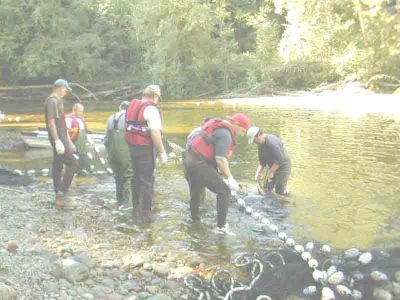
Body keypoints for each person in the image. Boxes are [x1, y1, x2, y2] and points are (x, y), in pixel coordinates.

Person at [183, 113, 251, 235]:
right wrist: (230, 179)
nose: (240, 135)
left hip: (189, 161)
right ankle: (221, 227)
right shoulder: (226, 134)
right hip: (199, 164)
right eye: (242, 131)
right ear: (236, 124)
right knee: (224, 191)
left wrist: (220, 174)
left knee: (196, 192)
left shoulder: (216, 127)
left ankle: (194, 221)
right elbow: (220, 159)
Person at [124, 85, 168, 223]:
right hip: (144, 147)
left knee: (135, 177)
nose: (158, 101)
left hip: (132, 146)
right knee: (146, 180)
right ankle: (146, 212)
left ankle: (135, 207)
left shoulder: (132, 104)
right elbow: (155, 132)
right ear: (154, 96)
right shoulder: (151, 109)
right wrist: (162, 152)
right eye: (158, 98)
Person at [44, 79, 78, 208]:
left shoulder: (58, 100)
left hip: (63, 137)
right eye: (65, 89)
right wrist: (57, 141)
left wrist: (69, 142)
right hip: (58, 138)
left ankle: (58, 193)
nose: (66, 92)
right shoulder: (52, 100)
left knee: (58, 163)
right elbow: (51, 122)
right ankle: (62, 191)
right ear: (60, 87)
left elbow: (63, 124)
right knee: (73, 163)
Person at [247, 126, 291, 196]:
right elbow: (262, 162)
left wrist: (271, 172)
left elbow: (280, 159)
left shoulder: (271, 143)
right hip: (273, 165)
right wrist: (258, 173)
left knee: (279, 190)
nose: (254, 142)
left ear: (258, 135)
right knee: (266, 187)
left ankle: (285, 201)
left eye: (254, 140)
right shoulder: (260, 144)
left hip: (283, 166)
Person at [104, 101, 133, 209]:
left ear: (120, 107)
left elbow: (105, 140)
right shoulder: (129, 118)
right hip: (125, 151)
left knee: (117, 175)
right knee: (128, 175)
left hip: (112, 152)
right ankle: (126, 204)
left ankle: (118, 200)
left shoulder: (110, 118)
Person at [65, 103, 91, 174]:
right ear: (74, 110)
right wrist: (71, 145)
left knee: (83, 161)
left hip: (82, 145)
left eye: (82, 111)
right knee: (73, 162)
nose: (81, 113)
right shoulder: (68, 119)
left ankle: (81, 175)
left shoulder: (81, 119)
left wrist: (88, 141)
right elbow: (65, 133)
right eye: (79, 111)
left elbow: (84, 132)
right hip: (74, 144)